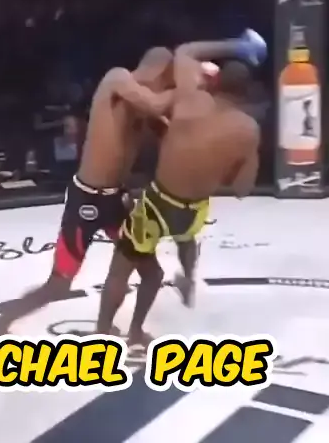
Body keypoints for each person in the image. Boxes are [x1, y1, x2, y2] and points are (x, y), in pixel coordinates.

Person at [0, 47, 176, 337]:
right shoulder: (118, 79)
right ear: (160, 73)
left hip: (116, 201)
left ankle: (128, 330)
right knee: (59, 284)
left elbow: (172, 131)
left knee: (152, 274)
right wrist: (189, 89)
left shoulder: (144, 108)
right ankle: (4, 318)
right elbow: (155, 104)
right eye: (169, 80)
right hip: (85, 200)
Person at [96, 29, 267, 346]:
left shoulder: (190, 98)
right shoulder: (248, 129)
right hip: (192, 211)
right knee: (187, 238)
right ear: (246, 94)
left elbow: (186, 51)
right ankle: (178, 288)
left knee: (122, 269)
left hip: (158, 203)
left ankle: (102, 333)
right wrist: (231, 163)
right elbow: (243, 189)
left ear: (215, 82)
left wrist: (239, 46)